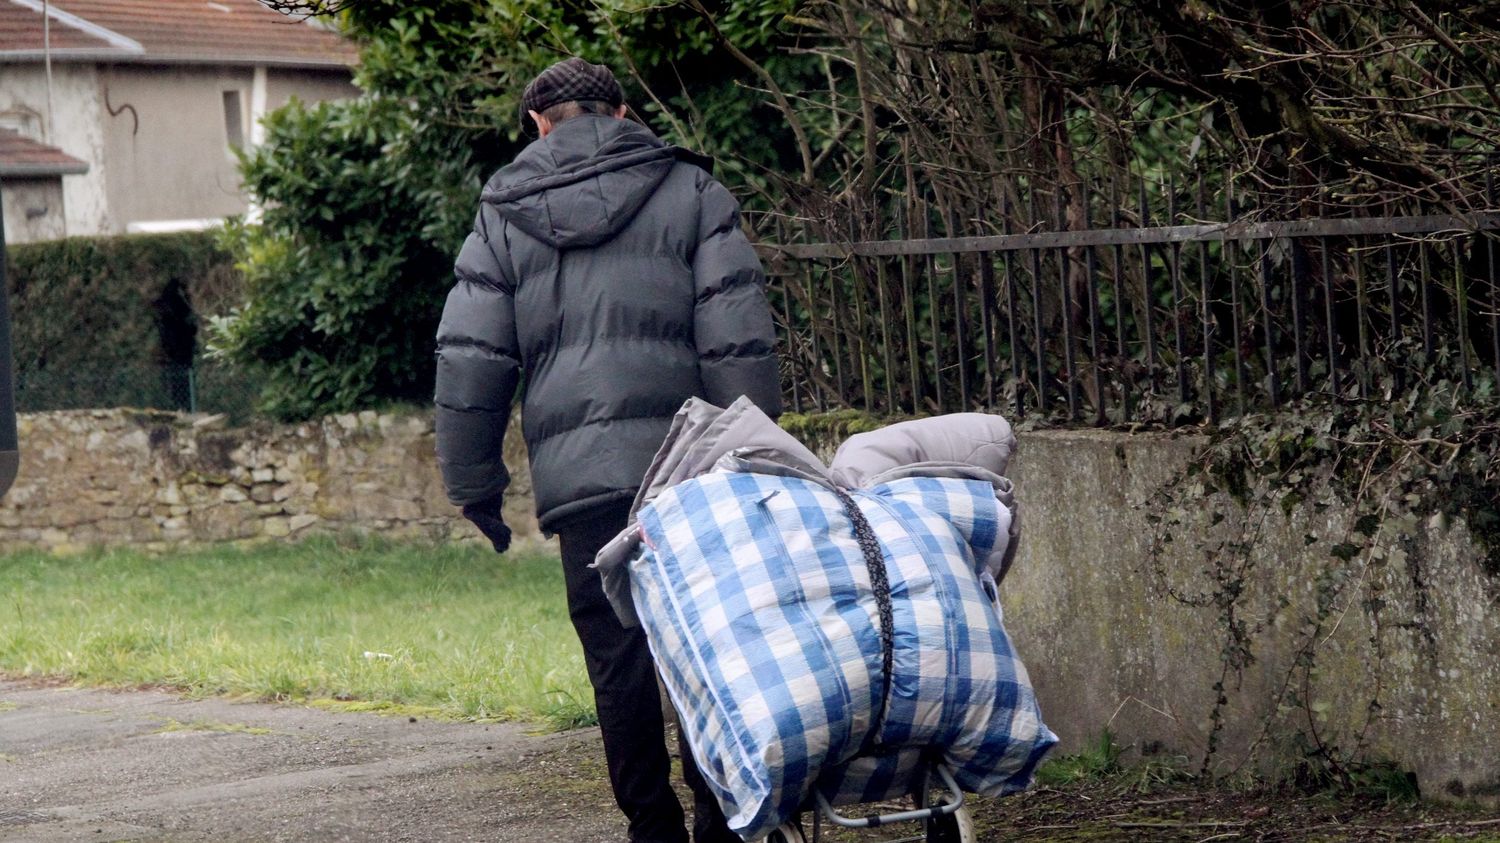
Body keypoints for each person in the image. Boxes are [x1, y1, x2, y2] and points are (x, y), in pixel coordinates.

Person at [432, 57, 782, 843]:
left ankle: (651, 828)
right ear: (623, 111)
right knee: (704, 643)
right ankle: (719, 821)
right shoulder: (691, 190)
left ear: (537, 124)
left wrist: (473, 483)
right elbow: (737, 337)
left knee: (617, 660)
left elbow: (471, 358)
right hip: (690, 470)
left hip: (583, 485)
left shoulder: (504, 208)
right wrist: (752, 456)